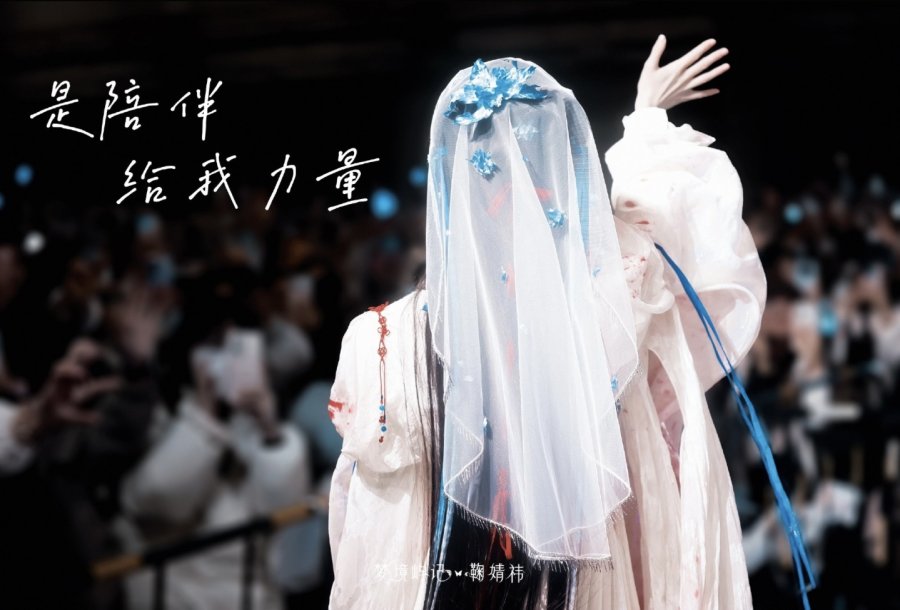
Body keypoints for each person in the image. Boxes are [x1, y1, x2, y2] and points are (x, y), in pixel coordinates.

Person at [326, 37, 787, 609]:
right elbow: (688, 233)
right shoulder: (614, 305)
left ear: (446, 182)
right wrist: (645, 118)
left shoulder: (378, 343)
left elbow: (361, 532)